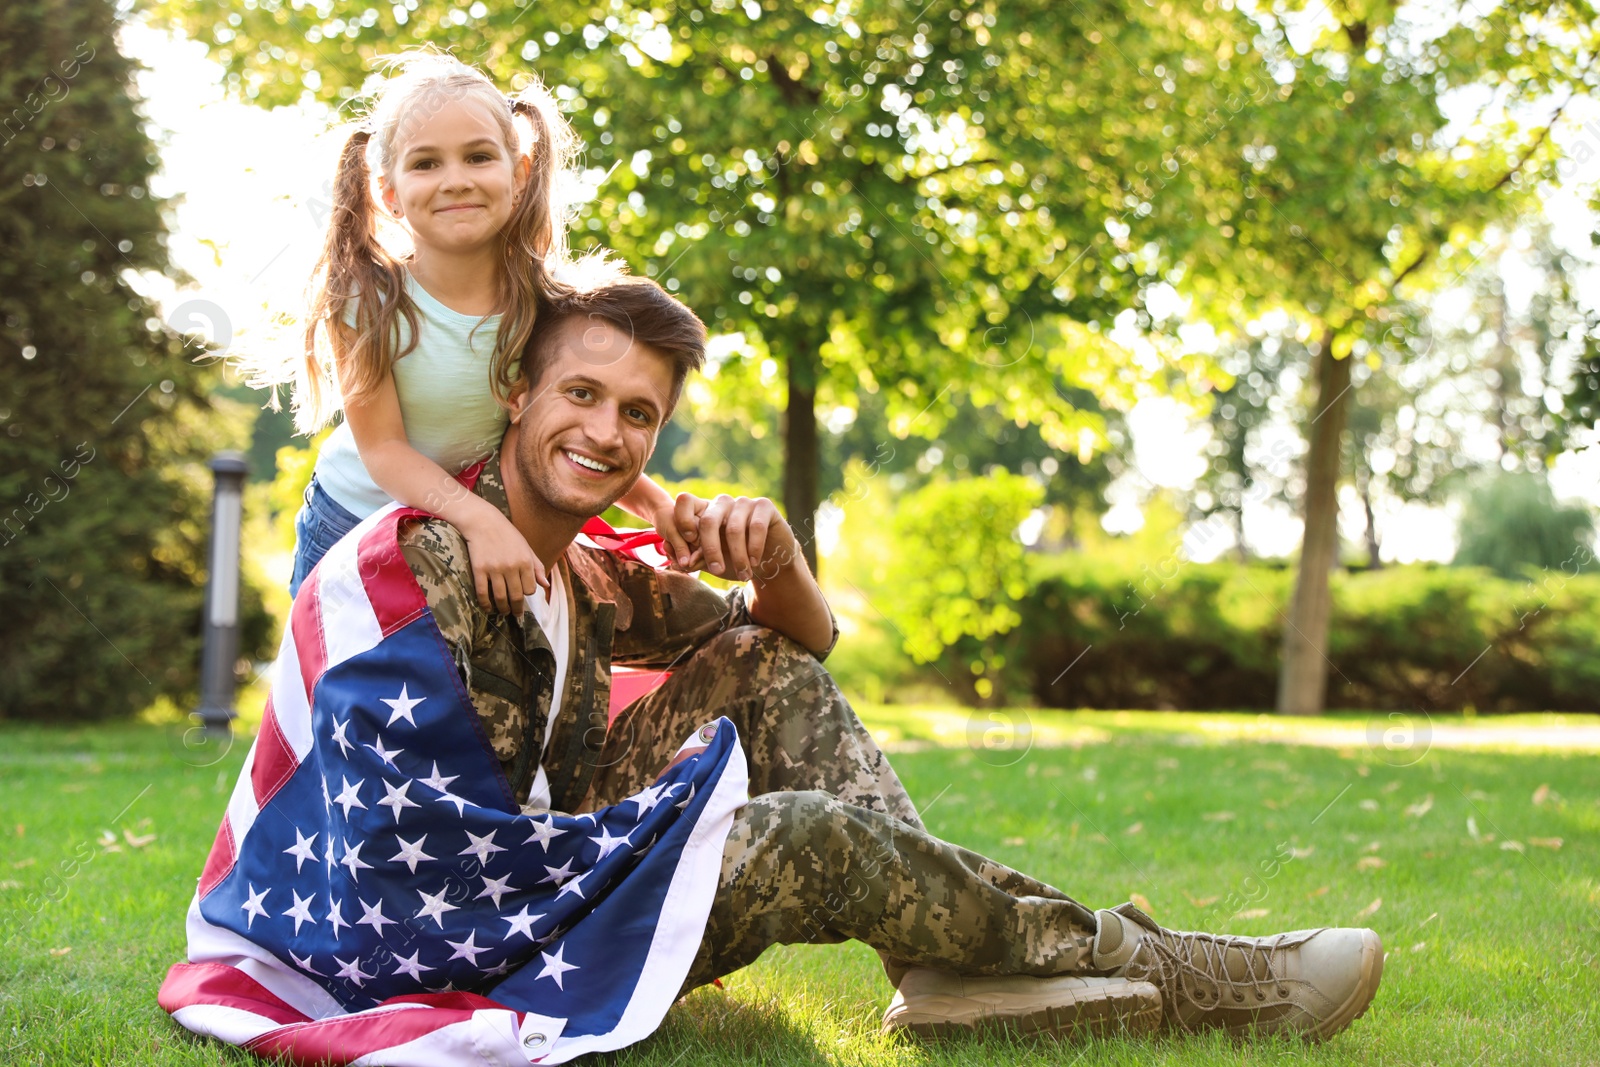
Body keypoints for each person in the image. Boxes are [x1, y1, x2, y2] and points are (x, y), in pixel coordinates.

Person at [165, 272, 1383, 1064]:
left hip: (545, 875)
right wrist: (636, 844)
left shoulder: (585, 570)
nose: (605, 430)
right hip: (464, 934)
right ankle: (1190, 974)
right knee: (804, 834)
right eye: (581, 392)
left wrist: (781, 555)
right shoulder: (422, 561)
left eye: (638, 414)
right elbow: (402, 845)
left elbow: (796, 652)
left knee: (754, 661)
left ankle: (946, 968)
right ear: (516, 392)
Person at [255, 51, 697, 609]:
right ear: (388, 192)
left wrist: (656, 506)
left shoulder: (548, 302)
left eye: (478, 156)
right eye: (425, 164)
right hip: (353, 520)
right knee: (331, 685)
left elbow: (580, 424)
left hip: (470, 525)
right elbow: (385, 450)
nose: (455, 181)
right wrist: (480, 521)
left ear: (519, 173)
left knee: (439, 685)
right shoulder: (367, 301)